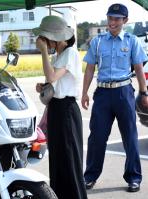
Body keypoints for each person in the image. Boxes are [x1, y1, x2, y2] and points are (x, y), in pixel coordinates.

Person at [82, 3, 148, 193]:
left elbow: (138, 69)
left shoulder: (131, 41)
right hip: (102, 94)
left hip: (123, 92)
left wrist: (144, 93)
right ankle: (90, 177)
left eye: (117, 19)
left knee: (130, 137)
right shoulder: (98, 41)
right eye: (110, 18)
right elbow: (89, 69)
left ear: (125, 21)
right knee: (97, 137)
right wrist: (85, 92)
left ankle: (133, 178)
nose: (112, 22)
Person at [33, 15, 87, 199]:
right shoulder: (60, 55)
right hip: (57, 109)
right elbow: (54, 81)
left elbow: (52, 77)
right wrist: (45, 87)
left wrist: (42, 53)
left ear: (53, 37)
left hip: (66, 111)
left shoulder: (70, 53)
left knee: (69, 161)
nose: (43, 42)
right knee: (58, 161)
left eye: (45, 39)